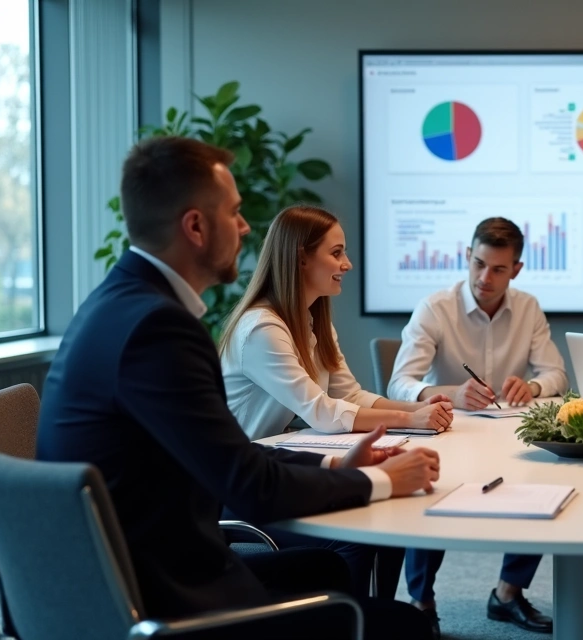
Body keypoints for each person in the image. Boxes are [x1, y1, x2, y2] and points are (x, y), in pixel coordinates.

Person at [35, 136, 437, 640]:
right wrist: (383, 481)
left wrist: (336, 464)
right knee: (404, 628)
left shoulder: (118, 304)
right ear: (196, 226)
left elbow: (232, 452)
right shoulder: (159, 329)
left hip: (120, 575)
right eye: (235, 212)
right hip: (159, 601)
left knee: (326, 572)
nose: (247, 228)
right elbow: (249, 485)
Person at [218, 204, 454, 599]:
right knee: (360, 532)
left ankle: (378, 614)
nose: (346, 264)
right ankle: (357, 622)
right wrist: (412, 421)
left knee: (388, 510)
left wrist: (419, 409)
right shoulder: (262, 328)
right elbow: (323, 411)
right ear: (300, 257)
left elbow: (349, 394)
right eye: (336, 252)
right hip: (240, 488)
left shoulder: (312, 318)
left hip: (277, 467)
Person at [387, 217, 567, 635]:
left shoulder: (528, 308)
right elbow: (399, 382)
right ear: (467, 257)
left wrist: (533, 385)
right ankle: (421, 601)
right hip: (450, 429)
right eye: (479, 264)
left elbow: (557, 375)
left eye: (499, 269)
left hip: (507, 431)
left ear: (516, 270)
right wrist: (450, 392)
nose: (486, 278)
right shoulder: (435, 308)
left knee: (544, 480)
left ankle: (507, 593)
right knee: (428, 487)